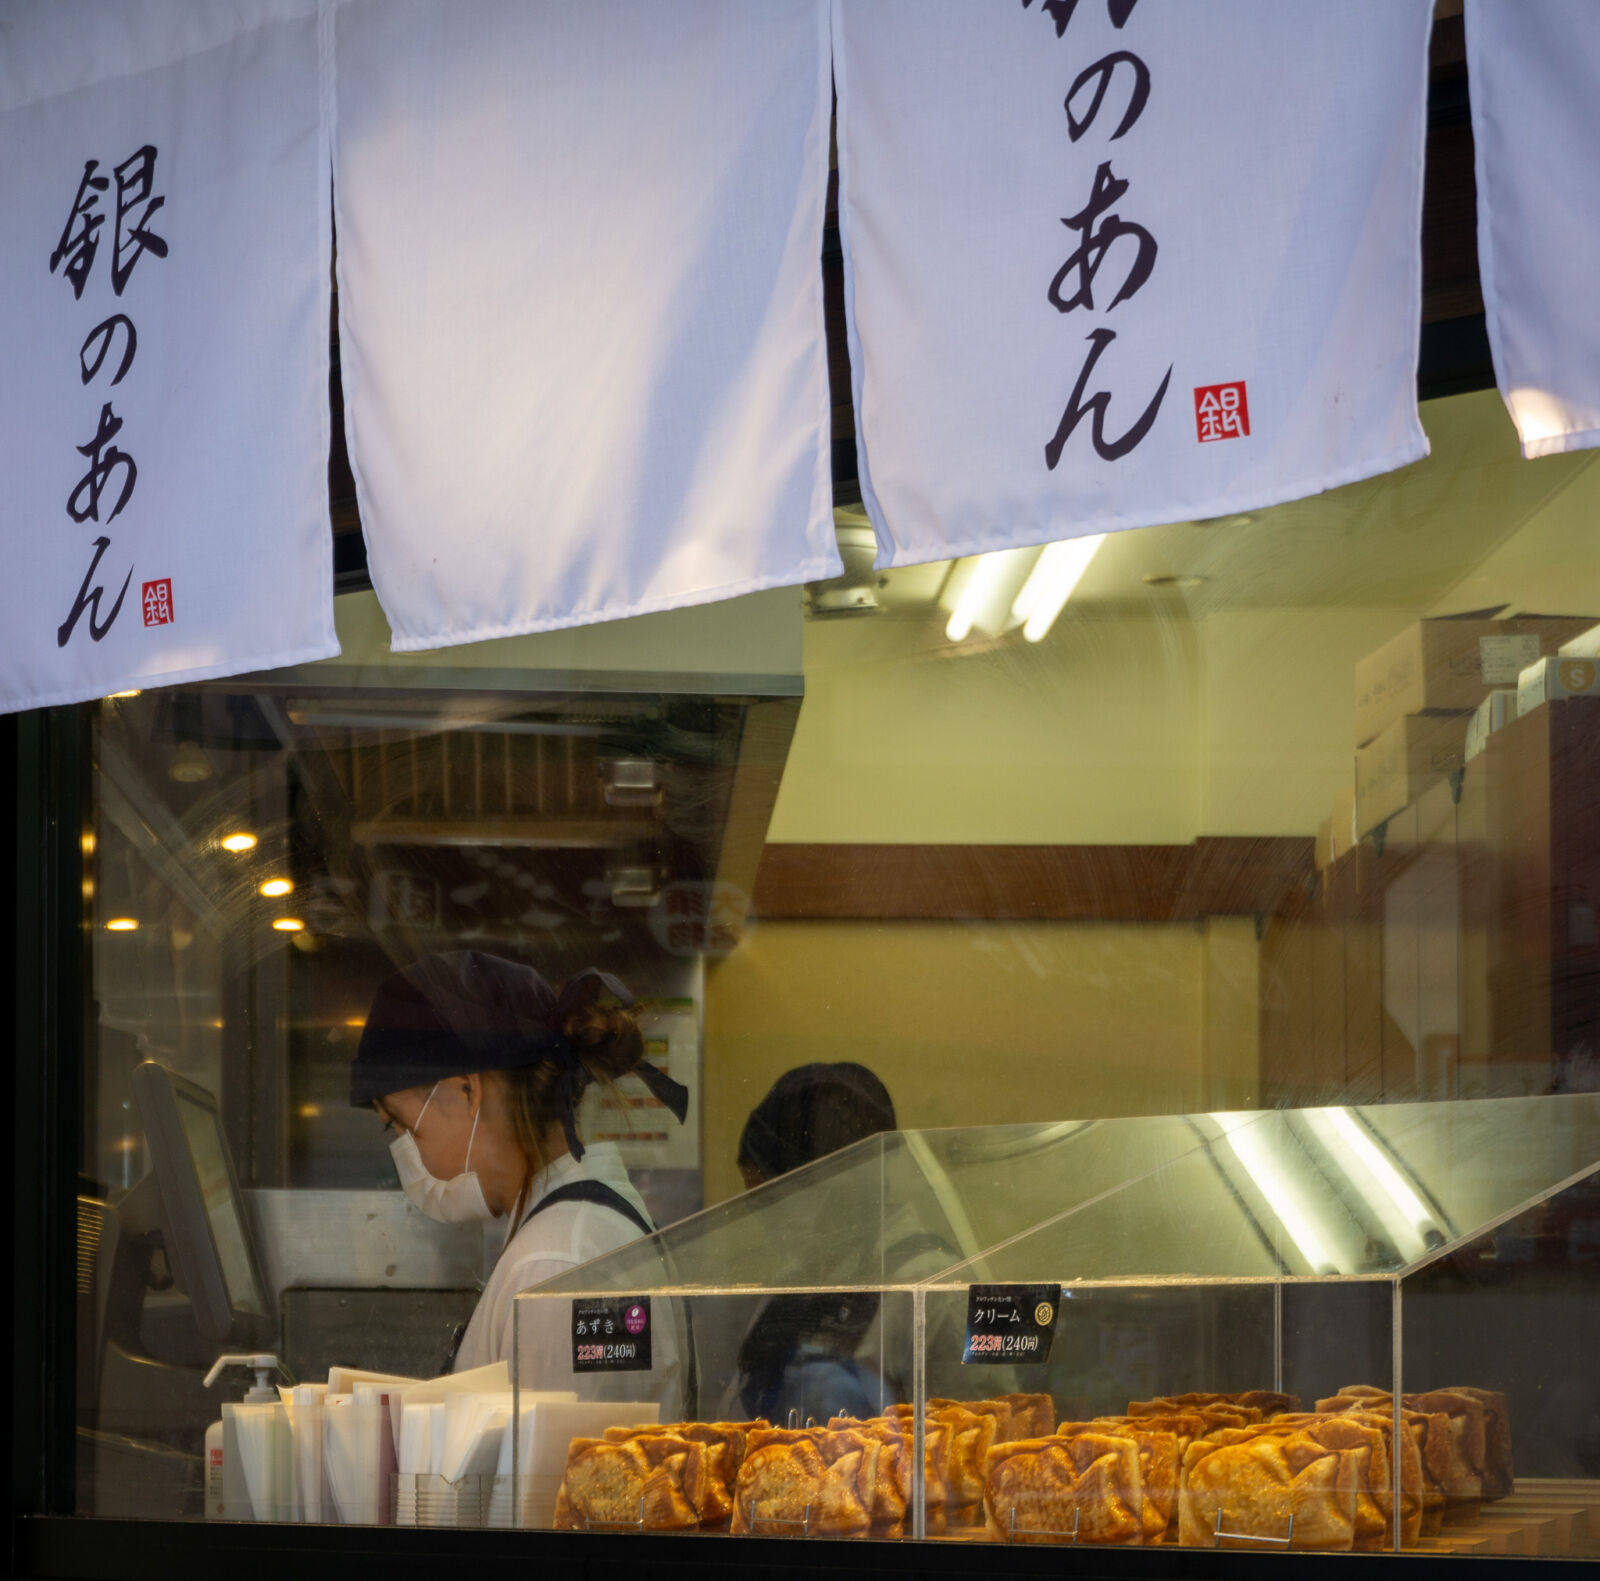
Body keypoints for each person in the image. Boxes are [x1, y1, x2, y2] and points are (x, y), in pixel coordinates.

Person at [348, 949, 689, 1405]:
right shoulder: (571, 1237)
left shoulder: (556, 1267)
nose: (405, 1152)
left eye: (401, 1125)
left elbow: (556, 1475)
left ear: (468, 1090)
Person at [728, 1063, 947, 1423]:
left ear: (831, 1183)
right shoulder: (797, 1282)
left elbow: (973, 1448)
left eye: (770, 1204)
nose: (765, 1225)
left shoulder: (927, 1286)